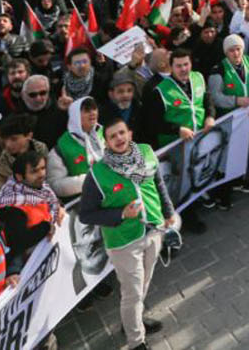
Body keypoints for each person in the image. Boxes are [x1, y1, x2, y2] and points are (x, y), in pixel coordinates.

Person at [79, 117, 179, 350]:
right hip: (123, 242)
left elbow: (157, 181)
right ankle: (136, 342)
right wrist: (121, 214)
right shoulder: (97, 174)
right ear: (106, 143)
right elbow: (86, 215)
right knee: (132, 292)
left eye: (122, 133)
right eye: (113, 136)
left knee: (144, 283)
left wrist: (168, 210)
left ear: (130, 134)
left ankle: (132, 321)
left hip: (153, 230)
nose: (119, 138)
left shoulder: (146, 152)